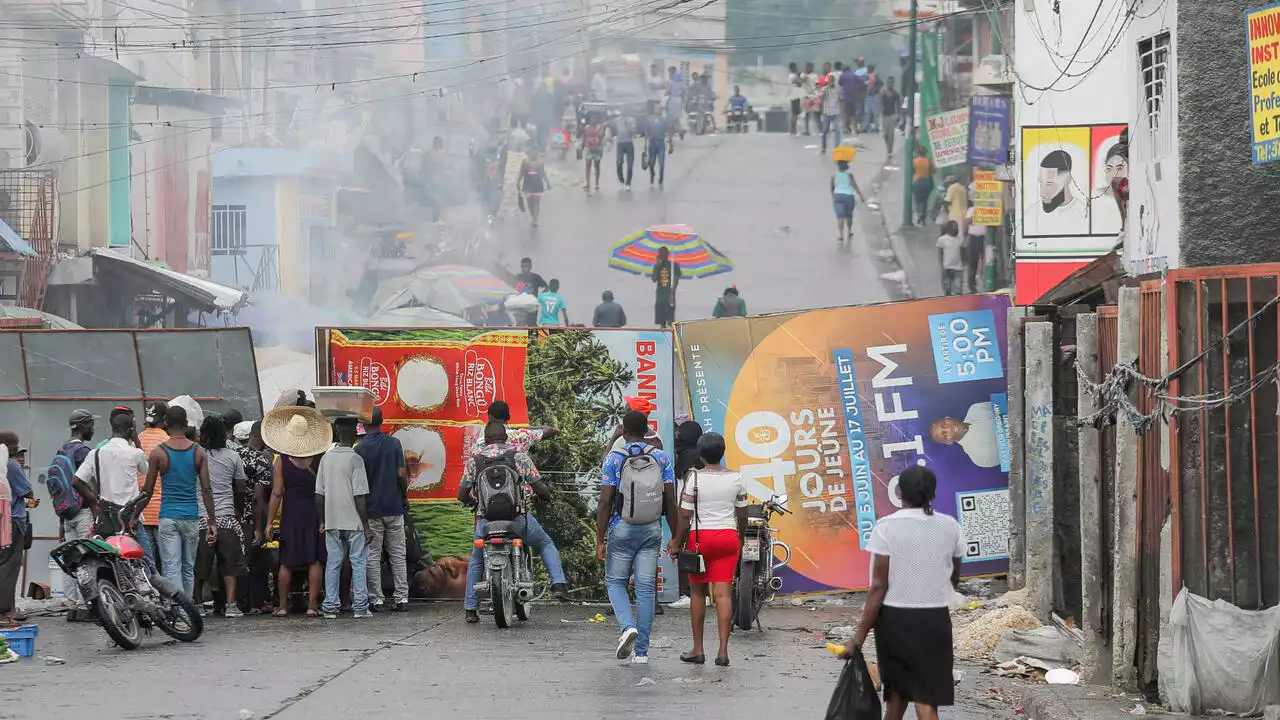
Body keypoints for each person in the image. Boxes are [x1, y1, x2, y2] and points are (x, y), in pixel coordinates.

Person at [843, 466, 965, 720]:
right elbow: (953, 577)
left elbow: (878, 587)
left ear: (900, 493)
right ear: (932, 493)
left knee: (897, 698)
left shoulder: (886, 528)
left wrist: (858, 638)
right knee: (924, 698)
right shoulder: (950, 527)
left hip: (895, 622)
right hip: (935, 620)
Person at [459, 422, 570, 622]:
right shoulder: (518, 457)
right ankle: (558, 584)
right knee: (545, 543)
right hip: (517, 520)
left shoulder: (475, 462)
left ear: (486, 439)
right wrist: (545, 495)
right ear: (506, 438)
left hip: (486, 523)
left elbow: (462, 494)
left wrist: (473, 502)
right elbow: (541, 489)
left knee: (476, 559)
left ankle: (470, 608)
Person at [596, 411, 678, 663]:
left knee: (615, 581)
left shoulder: (614, 458)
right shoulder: (662, 458)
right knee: (645, 589)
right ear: (646, 430)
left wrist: (600, 540)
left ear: (623, 431)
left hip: (622, 528)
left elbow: (605, 500)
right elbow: (670, 500)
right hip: (651, 528)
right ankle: (641, 652)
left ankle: (627, 626)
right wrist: (676, 537)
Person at [668, 432, 747, 667]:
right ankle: (723, 651)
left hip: (700, 539)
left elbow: (684, 514)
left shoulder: (694, 478)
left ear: (700, 455)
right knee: (723, 595)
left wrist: (677, 542)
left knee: (697, 594)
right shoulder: (737, 478)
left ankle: (698, 649)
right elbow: (742, 513)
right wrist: (739, 536)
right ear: (722, 453)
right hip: (727, 537)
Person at [72, 413, 150, 611]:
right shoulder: (134, 453)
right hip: (129, 518)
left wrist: (94, 501)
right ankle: (144, 602)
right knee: (142, 564)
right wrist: (137, 443)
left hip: (106, 518)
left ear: (112, 428)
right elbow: (147, 471)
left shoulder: (96, 453)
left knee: (113, 563)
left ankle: (119, 606)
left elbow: (76, 480)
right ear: (130, 430)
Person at [140, 406, 217, 599]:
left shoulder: (159, 453)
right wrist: (212, 520)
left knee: (171, 566)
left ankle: (179, 613)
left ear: (166, 423)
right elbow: (206, 489)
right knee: (188, 567)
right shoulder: (198, 452)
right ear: (185, 424)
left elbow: (147, 491)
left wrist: (134, 514)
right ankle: (188, 610)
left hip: (167, 517)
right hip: (191, 517)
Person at [261, 406, 331, 617]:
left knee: (286, 562)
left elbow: (277, 493)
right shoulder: (320, 458)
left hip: (291, 513)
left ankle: (282, 606)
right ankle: (312, 606)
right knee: (315, 560)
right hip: (315, 511)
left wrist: (269, 522)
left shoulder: (281, 461)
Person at [316, 419, 373, 619]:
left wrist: (322, 520)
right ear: (352, 435)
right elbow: (359, 495)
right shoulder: (355, 459)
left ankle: (330, 607)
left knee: (333, 563)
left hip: (332, 520)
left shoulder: (326, 458)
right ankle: (360, 608)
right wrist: (366, 525)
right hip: (354, 522)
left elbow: (319, 494)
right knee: (358, 562)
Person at [355, 408, 409, 612]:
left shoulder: (359, 450)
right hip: (394, 506)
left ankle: (376, 599)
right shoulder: (394, 443)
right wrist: (403, 496)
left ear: (364, 423)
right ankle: (402, 598)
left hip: (371, 510)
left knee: (372, 555)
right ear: (382, 421)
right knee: (397, 554)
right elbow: (401, 475)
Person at [194, 415, 248, 618]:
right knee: (230, 565)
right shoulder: (233, 456)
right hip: (226, 517)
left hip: (200, 518)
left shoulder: (197, 455)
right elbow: (241, 486)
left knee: (200, 567)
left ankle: (197, 604)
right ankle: (231, 605)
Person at [57, 409, 99, 620]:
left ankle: (72, 605)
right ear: (83, 426)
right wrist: (96, 506)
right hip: (83, 512)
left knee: (70, 560)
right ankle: (86, 605)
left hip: (67, 514)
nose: (92, 429)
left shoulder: (62, 449)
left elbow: (61, 487)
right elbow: (87, 483)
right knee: (86, 559)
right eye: (90, 424)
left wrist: (61, 522)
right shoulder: (83, 452)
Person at [236, 421, 275, 613]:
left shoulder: (234, 455)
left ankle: (235, 602)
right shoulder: (261, 460)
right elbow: (259, 498)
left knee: (235, 561)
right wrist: (260, 528)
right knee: (257, 561)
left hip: (232, 517)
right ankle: (255, 603)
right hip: (251, 519)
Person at [0, 430, 36, 623]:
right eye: (15, 444)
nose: (17, 448)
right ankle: (5, 611)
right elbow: (28, 492)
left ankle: (9, 607)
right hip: (13, 520)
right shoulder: (11, 466)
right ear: (6, 444)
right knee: (10, 565)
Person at [1024, 149, 1088, 236]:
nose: (1042, 193)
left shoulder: (1084, 213)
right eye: (1041, 183)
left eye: (1049, 184)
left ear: (1067, 179)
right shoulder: (1032, 214)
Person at [137, 402, 169, 567]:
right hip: (163, 512)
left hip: (141, 511)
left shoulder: (138, 440)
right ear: (165, 419)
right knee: (167, 563)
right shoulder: (167, 441)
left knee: (148, 564)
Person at [928, 402, 1000, 468]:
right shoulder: (979, 457)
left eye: (944, 425)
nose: (949, 430)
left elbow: (1005, 403)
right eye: (945, 435)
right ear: (949, 442)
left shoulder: (976, 409)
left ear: (948, 418)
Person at [832, 159, 867, 243]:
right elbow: (855, 186)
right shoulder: (850, 176)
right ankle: (850, 231)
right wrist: (861, 196)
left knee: (840, 216)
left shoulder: (833, 176)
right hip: (849, 197)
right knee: (849, 215)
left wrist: (834, 197)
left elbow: (832, 188)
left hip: (838, 196)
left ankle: (841, 235)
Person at [517, 147, 549, 227]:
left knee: (536, 202)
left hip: (538, 185)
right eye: (532, 153)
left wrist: (548, 183)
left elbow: (543, 174)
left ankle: (535, 219)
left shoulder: (540, 163)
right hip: (528, 185)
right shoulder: (524, 162)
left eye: (535, 153)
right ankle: (533, 216)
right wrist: (518, 182)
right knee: (530, 203)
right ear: (529, 154)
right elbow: (521, 173)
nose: (534, 154)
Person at [652, 246, 681, 328]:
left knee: (671, 320)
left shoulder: (673, 265)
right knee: (662, 321)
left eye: (662, 253)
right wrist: (658, 265)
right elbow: (654, 279)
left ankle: (672, 337)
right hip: (660, 297)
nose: (660, 255)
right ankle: (662, 336)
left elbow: (676, 279)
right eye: (659, 253)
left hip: (669, 296)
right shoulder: (657, 266)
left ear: (667, 254)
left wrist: (672, 293)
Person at [937, 220, 966, 296]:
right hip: (947, 267)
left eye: (957, 227)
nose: (957, 229)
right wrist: (941, 265)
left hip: (958, 268)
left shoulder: (961, 238)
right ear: (949, 229)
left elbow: (963, 251)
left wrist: (964, 263)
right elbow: (940, 253)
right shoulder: (942, 240)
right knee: (947, 289)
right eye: (954, 227)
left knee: (958, 289)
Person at [964, 204, 987, 293]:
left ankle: (985, 281)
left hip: (985, 238)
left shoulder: (991, 210)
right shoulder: (972, 210)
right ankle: (971, 284)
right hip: (973, 237)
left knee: (986, 260)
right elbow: (967, 222)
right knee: (972, 261)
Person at [611, 112, 637, 190]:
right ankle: (621, 181)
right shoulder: (617, 120)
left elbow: (634, 130)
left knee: (630, 164)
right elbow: (612, 129)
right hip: (620, 143)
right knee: (619, 162)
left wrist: (629, 128)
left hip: (628, 142)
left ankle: (628, 183)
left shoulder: (631, 120)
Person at [644, 105, 668, 186]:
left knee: (661, 163)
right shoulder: (649, 119)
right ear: (654, 110)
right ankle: (652, 174)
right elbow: (647, 131)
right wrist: (645, 144)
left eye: (658, 109)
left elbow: (668, 131)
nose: (657, 110)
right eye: (656, 108)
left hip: (661, 143)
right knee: (651, 162)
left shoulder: (664, 120)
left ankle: (661, 178)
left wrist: (671, 143)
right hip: (652, 143)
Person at [581, 114, 606, 192]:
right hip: (589, 148)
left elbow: (602, 138)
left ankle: (597, 183)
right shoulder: (586, 127)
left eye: (595, 118)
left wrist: (602, 148)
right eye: (592, 118)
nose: (593, 120)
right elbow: (584, 137)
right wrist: (581, 148)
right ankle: (588, 183)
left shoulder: (600, 127)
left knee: (596, 165)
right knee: (588, 165)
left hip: (597, 149)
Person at [912, 146, 936, 225]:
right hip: (926, 182)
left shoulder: (914, 161)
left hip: (917, 181)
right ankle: (923, 217)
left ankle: (919, 214)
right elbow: (934, 171)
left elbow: (912, 171)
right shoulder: (928, 161)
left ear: (917, 153)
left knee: (917, 200)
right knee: (924, 200)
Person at [820, 71, 842, 153]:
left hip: (836, 112)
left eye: (832, 80)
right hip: (827, 113)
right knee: (825, 131)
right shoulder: (824, 89)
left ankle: (837, 147)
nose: (831, 81)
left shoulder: (837, 89)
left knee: (838, 130)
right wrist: (826, 90)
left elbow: (840, 99)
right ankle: (823, 146)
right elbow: (821, 99)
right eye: (829, 80)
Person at [880, 77, 902, 156]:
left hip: (892, 115)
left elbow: (898, 105)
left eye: (891, 82)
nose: (890, 84)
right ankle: (888, 146)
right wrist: (879, 113)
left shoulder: (895, 94)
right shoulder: (883, 93)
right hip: (884, 115)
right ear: (887, 83)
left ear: (893, 83)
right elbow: (880, 103)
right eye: (889, 82)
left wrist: (899, 115)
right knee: (885, 134)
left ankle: (890, 150)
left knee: (891, 134)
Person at [787, 62, 804, 136]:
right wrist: (799, 74)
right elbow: (800, 83)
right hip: (794, 96)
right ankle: (793, 130)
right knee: (794, 114)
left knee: (795, 114)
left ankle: (793, 130)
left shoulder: (793, 76)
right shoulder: (792, 76)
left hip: (795, 96)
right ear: (792, 68)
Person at [864, 63, 882, 133]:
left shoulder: (874, 75)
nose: (868, 69)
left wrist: (874, 90)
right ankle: (866, 127)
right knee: (867, 112)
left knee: (875, 112)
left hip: (874, 96)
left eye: (869, 68)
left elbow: (880, 83)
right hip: (868, 96)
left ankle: (877, 127)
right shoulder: (867, 76)